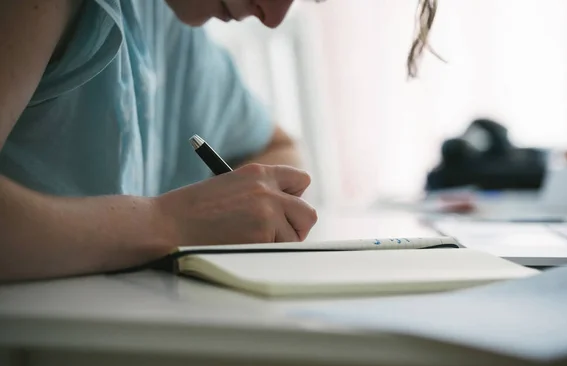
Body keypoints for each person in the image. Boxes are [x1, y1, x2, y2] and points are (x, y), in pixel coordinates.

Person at [0, 0, 436, 282]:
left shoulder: (167, 23)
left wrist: (240, 205)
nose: (274, 17)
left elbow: (278, 149)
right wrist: (166, 223)